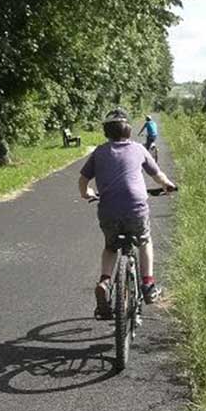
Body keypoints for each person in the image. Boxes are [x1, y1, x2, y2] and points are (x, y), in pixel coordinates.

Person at [78, 108, 176, 318]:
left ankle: (105, 281)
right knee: (145, 240)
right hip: (136, 208)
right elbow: (157, 175)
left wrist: (87, 193)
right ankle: (148, 285)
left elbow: (83, 181)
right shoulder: (139, 149)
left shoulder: (99, 152)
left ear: (106, 132)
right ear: (129, 130)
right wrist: (168, 185)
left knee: (110, 247)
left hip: (108, 210)